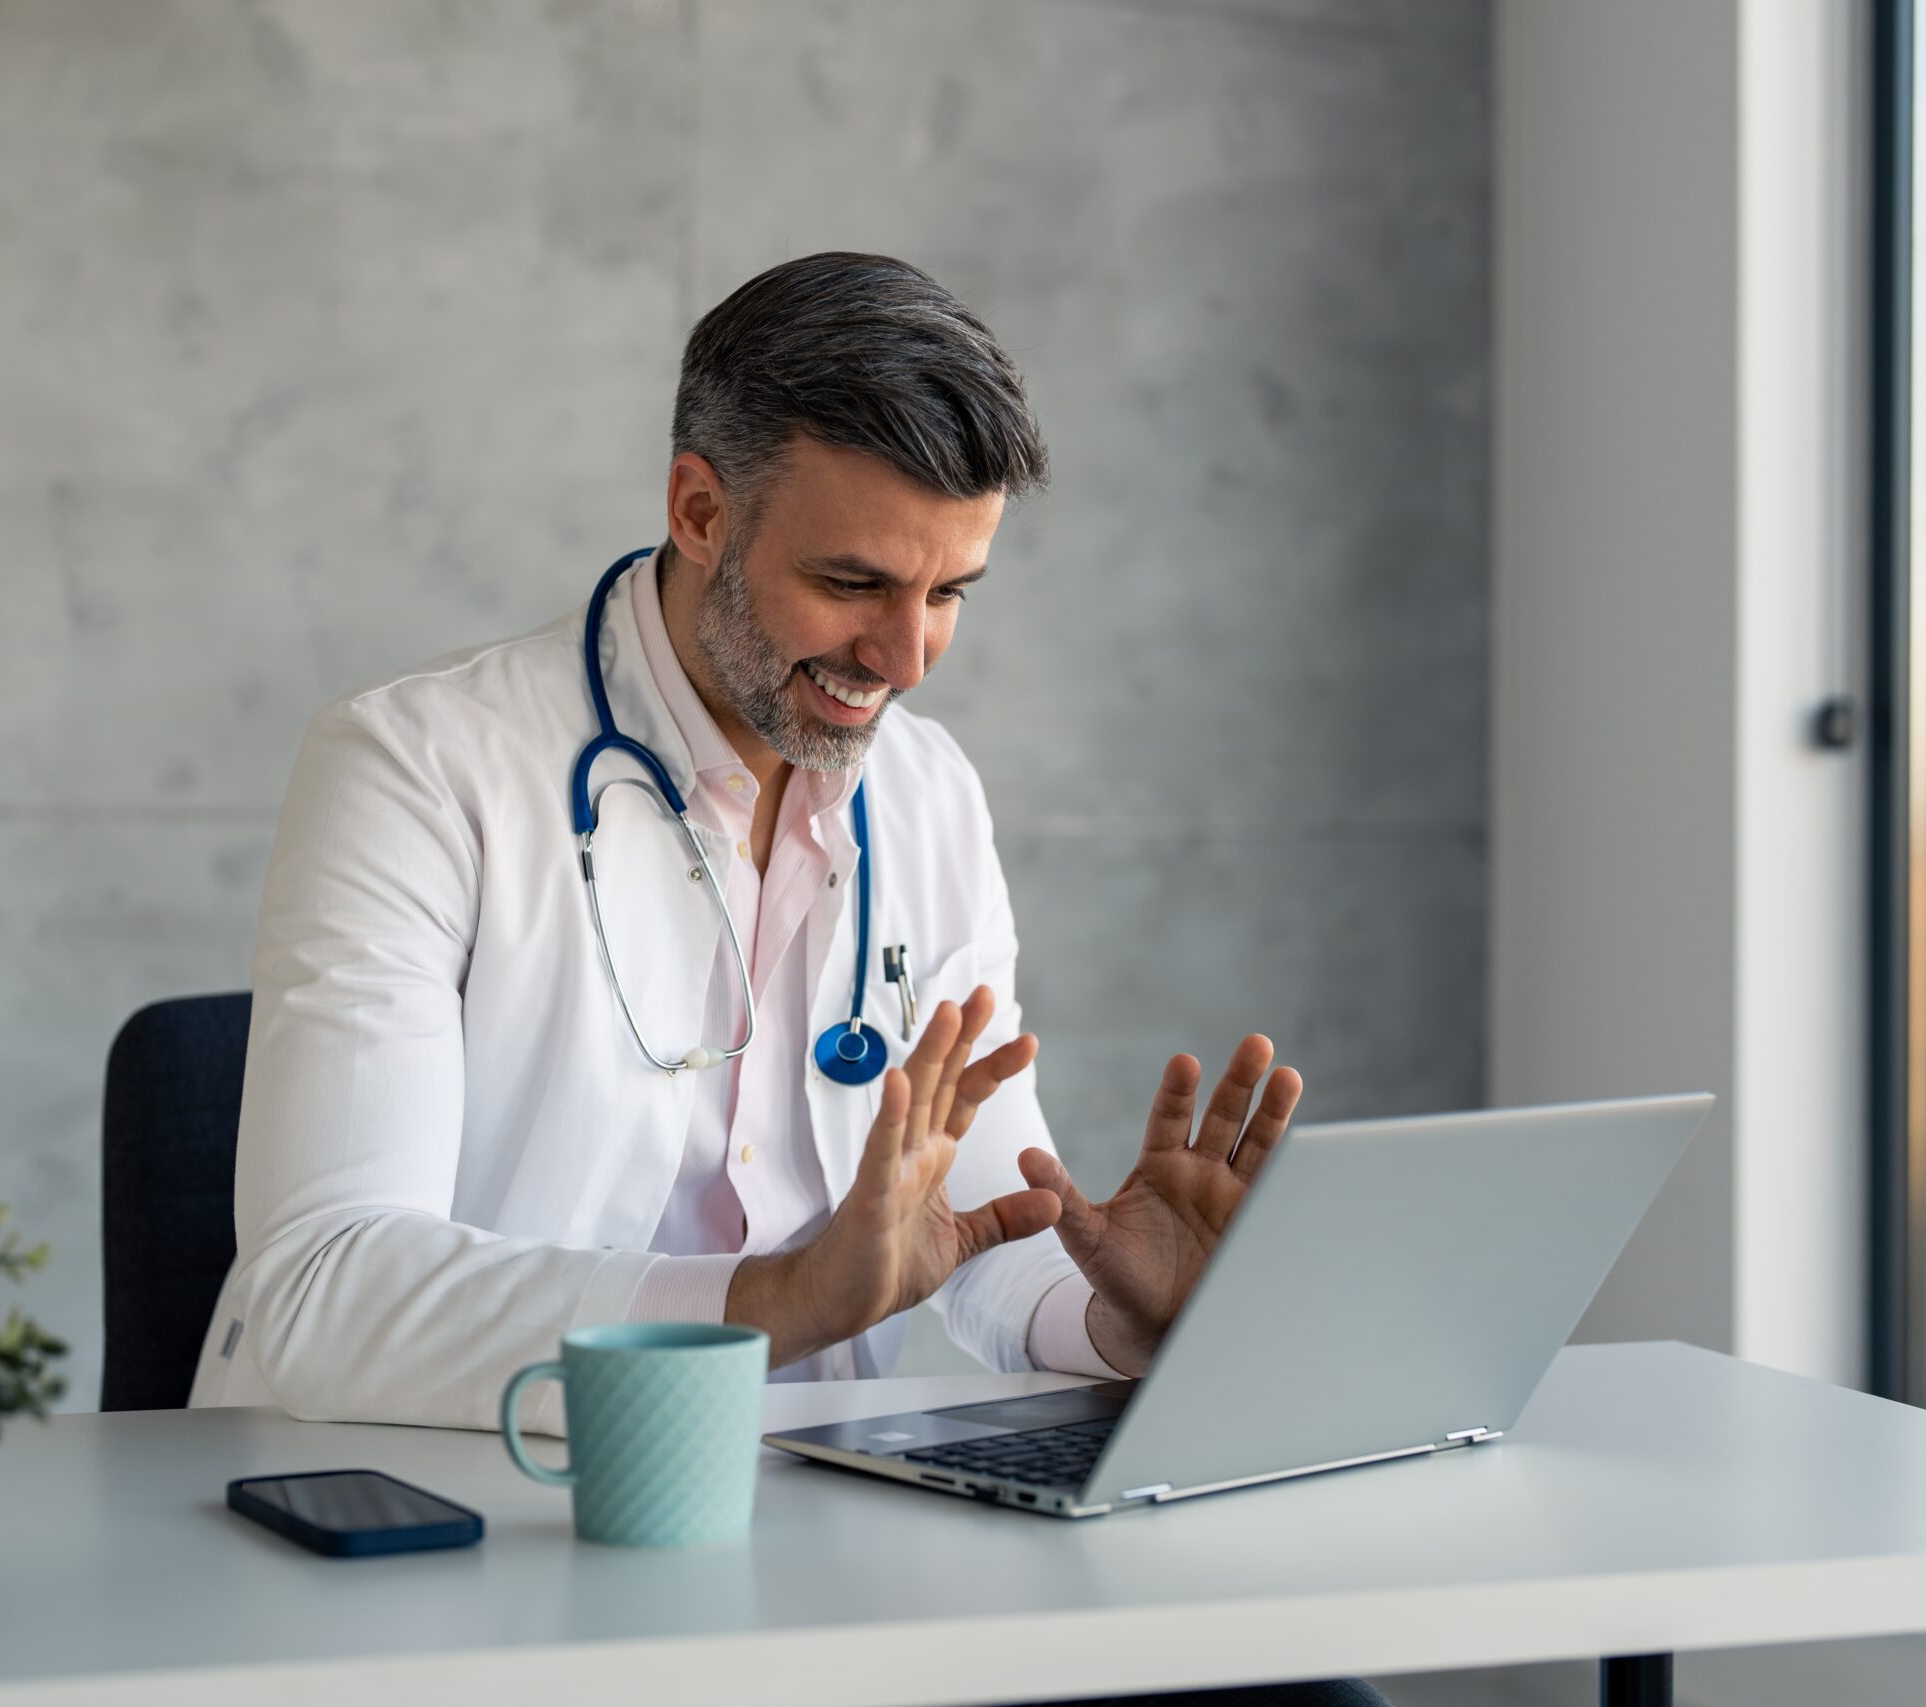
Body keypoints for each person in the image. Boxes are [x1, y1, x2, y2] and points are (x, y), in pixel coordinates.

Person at [190, 251, 1303, 1422]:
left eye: (949, 594)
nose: (905, 659)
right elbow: (325, 1294)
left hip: (797, 1519)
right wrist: (779, 1302)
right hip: (434, 1500)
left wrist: (1117, 1315)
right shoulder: (415, 769)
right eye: (852, 582)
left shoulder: (927, 793)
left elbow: (969, 1231)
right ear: (700, 512)